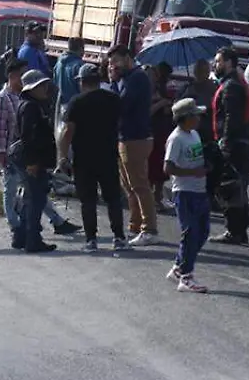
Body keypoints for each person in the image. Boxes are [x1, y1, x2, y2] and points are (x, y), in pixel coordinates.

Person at [0, 58, 80, 243]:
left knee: (34, 195)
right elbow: (18, 134)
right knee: (19, 193)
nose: (45, 90)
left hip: (26, 157)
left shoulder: (28, 102)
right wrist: (5, 153)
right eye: (40, 86)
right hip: (18, 156)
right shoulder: (13, 101)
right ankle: (22, 232)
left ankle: (37, 229)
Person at [59, 63, 127, 253]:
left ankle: (91, 240)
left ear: (82, 82)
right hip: (108, 156)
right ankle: (119, 237)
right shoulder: (114, 99)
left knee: (87, 200)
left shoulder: (76, 102)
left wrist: (62, 157)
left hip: (84, 159)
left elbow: (67, 131)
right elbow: (121, 123)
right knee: (113, 198)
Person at [107, 44, 158, 245]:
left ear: (127, 58)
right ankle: (135, 224)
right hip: (126, 137)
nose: (114, 66)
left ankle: (149, 229)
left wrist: (113, 83)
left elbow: (120, 105)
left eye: (116, 62)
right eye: (111, 64)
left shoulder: (136, 78)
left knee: (139, 185)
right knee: (129, 186)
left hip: (135, 138)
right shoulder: (128, 78)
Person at [165, 98, 213, 293]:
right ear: (186, 118)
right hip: (185, 192)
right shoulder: (176, 138)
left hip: (199, 190)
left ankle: (179, 266)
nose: (199, 118)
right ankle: (186, 277)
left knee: (202, 232)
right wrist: (193, 173)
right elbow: (168, 167)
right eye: (195, 115)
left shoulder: (194, 134)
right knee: (191, 233)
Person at [209, 47, 249, 244]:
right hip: (238, 142)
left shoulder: (231, 86)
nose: (215, 65)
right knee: (236, 187)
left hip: (233, 144)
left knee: (230, 187)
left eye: (218, 61)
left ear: (228, 63)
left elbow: (231, 117)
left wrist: (225, 144)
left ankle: (234, 230)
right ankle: (238, 230)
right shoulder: (233, 83)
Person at [14, 70, 59, 253]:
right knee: (35, 201)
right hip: (33, 160)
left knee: (29, 199)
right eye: (40, 85)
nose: (45, 88)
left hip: (33, 159)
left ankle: (21, 237)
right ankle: (32, 240)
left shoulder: (32, 104)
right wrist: (32, 162)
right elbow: (28, 137)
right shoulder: (30, 107)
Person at [147, 62, 175, 212]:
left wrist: (167, 106)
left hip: (163, 129)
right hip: (153, 130)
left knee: (159, 166)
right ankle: (152, 198)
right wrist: (161, 103)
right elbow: (148, 111)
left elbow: (167, 110)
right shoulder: (150, 88)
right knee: (153, 166)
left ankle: (157, 197)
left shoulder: (165, 88)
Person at [54, 37, 86, 124]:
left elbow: (55, 82)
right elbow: (82, 89)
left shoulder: (58, 63)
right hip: (74, 107)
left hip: (60, 105)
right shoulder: (79, 65)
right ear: (80, 48)